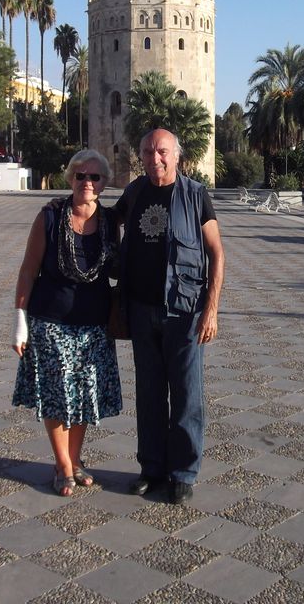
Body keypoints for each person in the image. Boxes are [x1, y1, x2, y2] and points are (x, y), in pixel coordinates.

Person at [114, 129, 225, 506]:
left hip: (185, 311)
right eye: (147, 151)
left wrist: (210, 310)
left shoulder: (195, 195)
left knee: (186, 394)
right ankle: (152, 468)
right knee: (147, 394)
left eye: (161, 151)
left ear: (177, 156)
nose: (154, 158)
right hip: (141, 311)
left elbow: (217, 253)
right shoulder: (134, 193)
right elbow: (107, 222)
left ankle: (182, 472)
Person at [11, 149, 122, 496]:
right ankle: (61, 466)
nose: (87, 182)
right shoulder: (50, 216)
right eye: (80, 176)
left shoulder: (107, 223)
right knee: (58, 395)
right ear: (70, 178)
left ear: (104, 183)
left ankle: (74, 460)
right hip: (51, 321)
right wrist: (20, 320)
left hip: (94, 325)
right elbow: (29, 270)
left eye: (94, 177)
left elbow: (118, 268)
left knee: (85, 396)